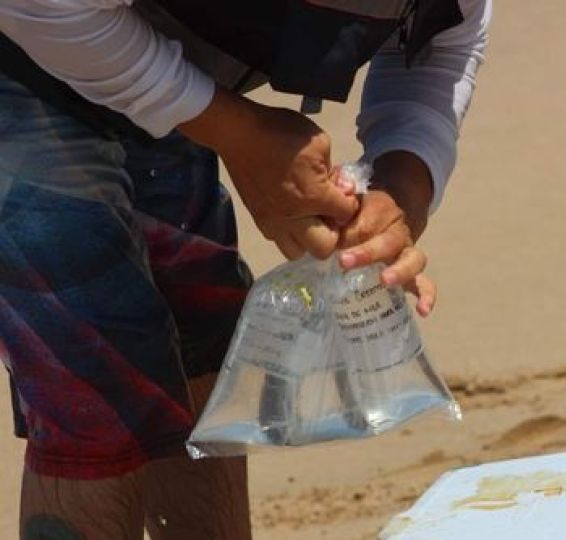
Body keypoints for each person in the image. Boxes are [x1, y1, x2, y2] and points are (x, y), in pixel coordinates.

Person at [0, 0, 490, 537]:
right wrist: (238, 132)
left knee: (200, 338)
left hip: (145, 41)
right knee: (94, 381)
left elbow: (444, 41)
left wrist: (402, 189)